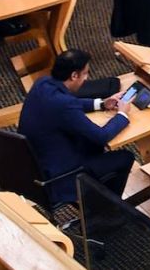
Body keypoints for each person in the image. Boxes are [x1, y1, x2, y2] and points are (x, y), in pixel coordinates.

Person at [17, 48, 134, 202]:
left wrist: (101, 104)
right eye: (85, 73)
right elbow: (101, 136)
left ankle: (101, 200)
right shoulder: (64, 105)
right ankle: (107, 212)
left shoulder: (42, 83)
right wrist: (122, 114)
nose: (87, 78)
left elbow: (72, 104)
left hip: (34, 165)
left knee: (90, 143)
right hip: (59, 177)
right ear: (74, 75)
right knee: (124, 157)